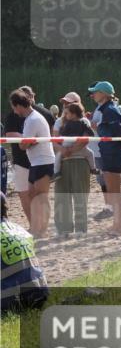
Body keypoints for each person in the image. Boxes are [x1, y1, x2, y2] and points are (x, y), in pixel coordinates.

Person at [9, 90, 55, 238]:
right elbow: (26, 143)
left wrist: (24, 141)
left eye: (14, 107)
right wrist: (26, 141)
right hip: (36, 162)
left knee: (41, 197)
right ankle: (37, 227)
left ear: (18, 105)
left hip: (43, 161)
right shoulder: (31, 118)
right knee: (33, 195)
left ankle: (43, 230)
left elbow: (23, 146)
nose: (14, 111)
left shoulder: (33, 119)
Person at [87, 82, 121, 236]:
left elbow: (118, 132)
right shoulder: (106, 109)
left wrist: (97, 126)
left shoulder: (110, 110)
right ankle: (116, 225)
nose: (93, 95)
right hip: (108, 153)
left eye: (95, 92)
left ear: (103, 93)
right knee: (112, 192)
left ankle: (119, 227)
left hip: (113, 154)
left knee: (115, 193)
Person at [52, 102, 92, 237]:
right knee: (61, 196)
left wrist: (71, 150)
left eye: (68, 103)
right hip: (63, 162)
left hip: (80, 161)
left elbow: (85, 140)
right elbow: (55, 141)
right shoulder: (59, 122)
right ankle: (63, 229)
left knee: (80, 196)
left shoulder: (83, 121)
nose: (65, 106)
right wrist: (63, 150)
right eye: (64, 103)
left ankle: (81, 229)